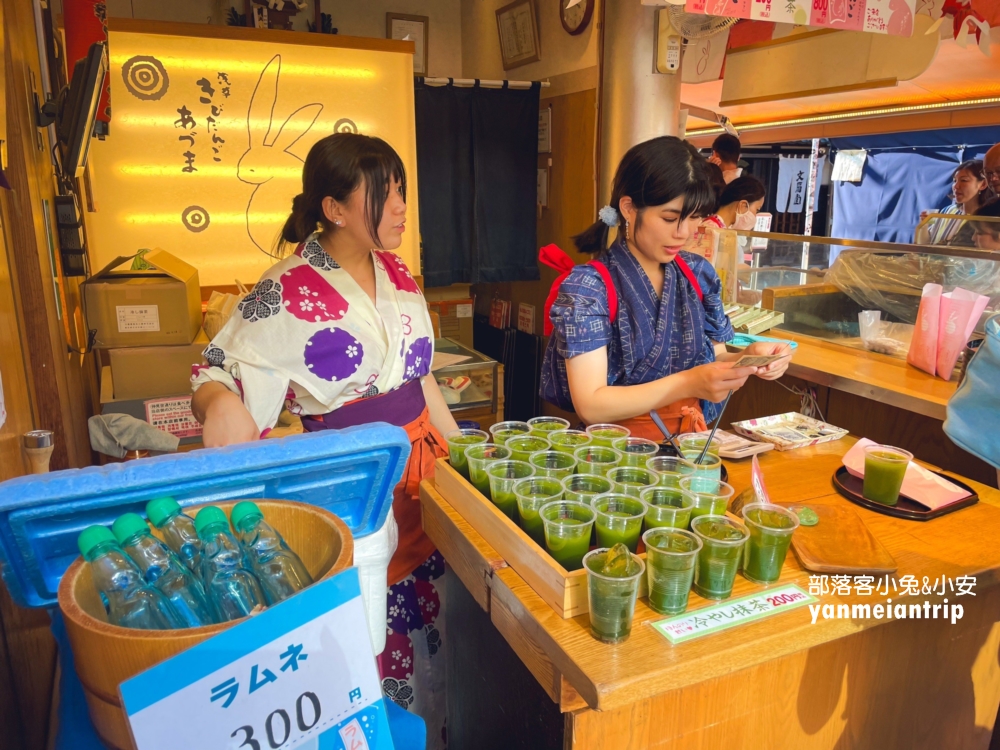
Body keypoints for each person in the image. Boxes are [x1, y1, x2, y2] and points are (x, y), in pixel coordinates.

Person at [190, 133, 457, 743]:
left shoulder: (398, 273)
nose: (399, 205)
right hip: (355, 482)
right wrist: (222, 403)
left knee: (434, 617)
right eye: (383, 192)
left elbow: (420, 379)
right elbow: (215, 369)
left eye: (400, 190)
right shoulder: (285, 289)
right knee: (369, 629)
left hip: (425, 475)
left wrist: (462, 449)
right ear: (334, 208)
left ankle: (435, 733)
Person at [539, 136, 792, 441]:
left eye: (695, 218)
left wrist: (749, 359)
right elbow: (591, 404)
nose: (683, 233)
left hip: (690, 447)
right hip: (617, 456)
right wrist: (688, 383)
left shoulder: (699, 274)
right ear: (629, 208)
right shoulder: (588, 288)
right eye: (671, 218)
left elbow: (714, 359)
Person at [923, 160, 992, 245]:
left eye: (964, 180)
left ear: (983, 184)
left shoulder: (987, 220)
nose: (956, 186)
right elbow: (927, 245)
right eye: (955, 181)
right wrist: (924, 224)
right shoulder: (947, 211)